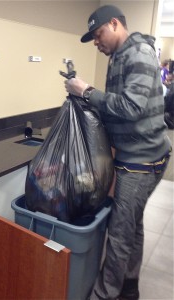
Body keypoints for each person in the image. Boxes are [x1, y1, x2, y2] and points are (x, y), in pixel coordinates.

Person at [63, 5, 172, 300]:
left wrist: (86, 91)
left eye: (98, 35)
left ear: (114, 24)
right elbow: (117, 105)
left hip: (142, 160)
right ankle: (129, 287)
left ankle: (104, 295)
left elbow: (130, 107)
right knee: (132, 224)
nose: (97, 43)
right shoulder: (118, 56)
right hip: (136, 154)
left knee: (119, 233)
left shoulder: (137, 54)